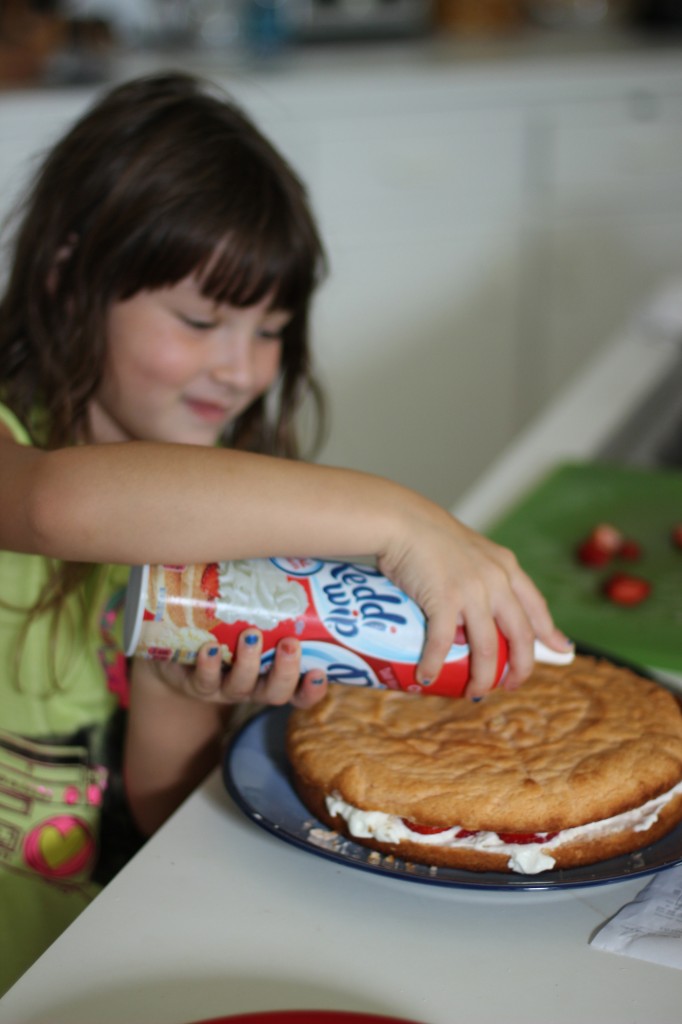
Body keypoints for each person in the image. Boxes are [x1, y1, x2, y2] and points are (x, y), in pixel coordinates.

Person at [0, 72, 571, 993]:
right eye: (200, 320)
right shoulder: (20, 459)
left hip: (86, 972)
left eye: (270, 329)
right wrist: (402, 518)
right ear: (71, 275)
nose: (241, 369)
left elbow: (158, 827)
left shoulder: (224, 525)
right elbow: (55, 505)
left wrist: (175, 691)